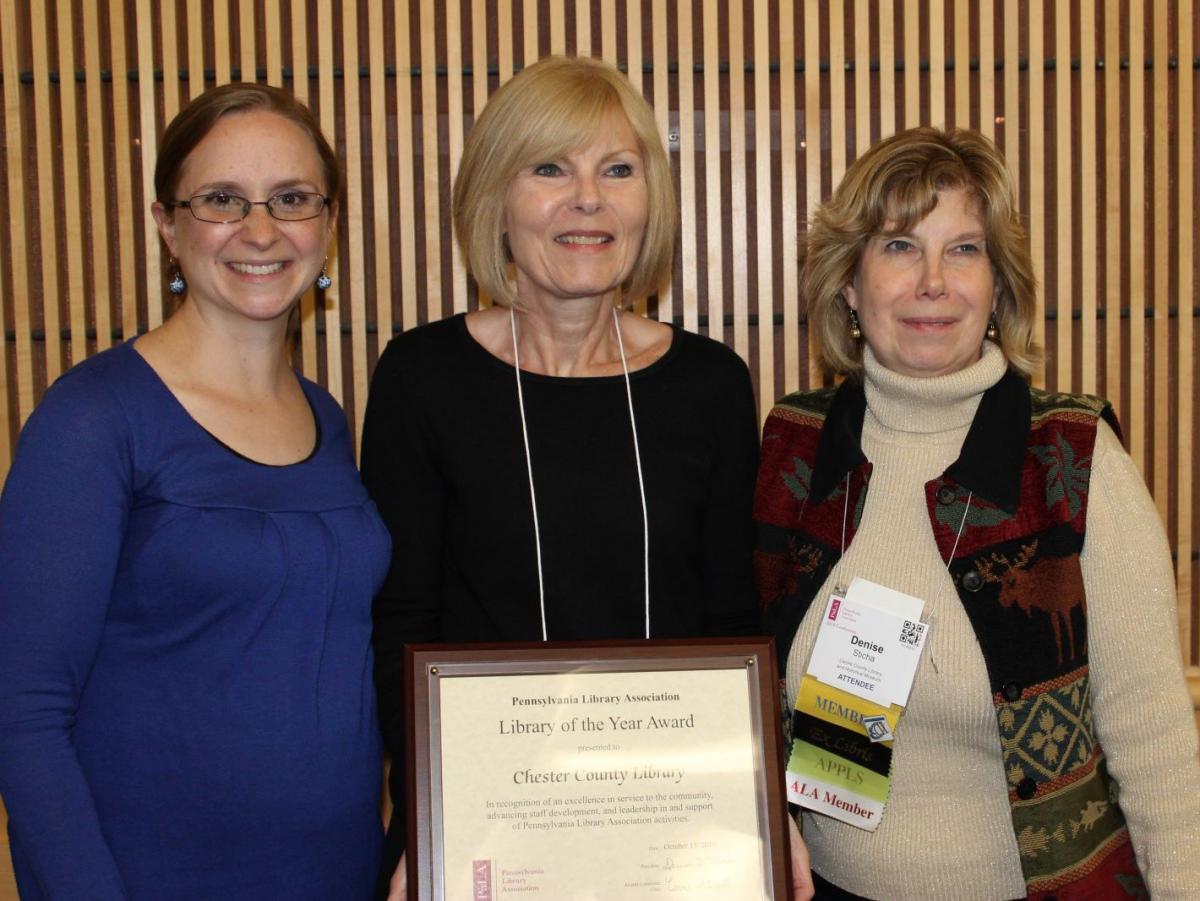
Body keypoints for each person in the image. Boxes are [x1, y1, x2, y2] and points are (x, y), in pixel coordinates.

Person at [361, 56, 810, 899]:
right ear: (496, 196)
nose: (588, 199)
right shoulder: (422, 378)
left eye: (617, 169)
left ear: (651, 199)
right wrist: (428, 820)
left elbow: (731, 618)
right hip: (486, 829)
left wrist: (765, 803)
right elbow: (402, 622)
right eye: (549, 168)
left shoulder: (710, 384)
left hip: (675, 828)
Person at [754, 125, 1200, 899]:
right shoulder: (794, 451)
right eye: (898, 247)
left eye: (963, 250)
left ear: (999, 287)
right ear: (849, 285)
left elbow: (1157, 744)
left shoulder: (1072, 459)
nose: (934, 281)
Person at [0, 83, 390, 898]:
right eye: (221, 200)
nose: (260, 229)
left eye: (291, 199)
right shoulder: (94, 419)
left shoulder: (326, 419)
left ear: (329, 224)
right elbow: (24, 715)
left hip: (335, 875)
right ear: (167, 226)